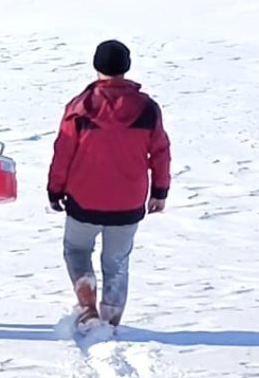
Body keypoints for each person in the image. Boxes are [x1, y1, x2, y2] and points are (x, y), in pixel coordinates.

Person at [46, 40, 171, 330]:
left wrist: (55, 189)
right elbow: (161, 152)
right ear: (126, 67)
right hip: (128, 201)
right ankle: (111, 319)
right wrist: (160, 191)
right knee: (116, 261)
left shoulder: (80, 107)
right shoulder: (147, 109)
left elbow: (63, 151)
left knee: (76, 250)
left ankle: (88, 307)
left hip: (83, 198)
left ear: (96, 66)